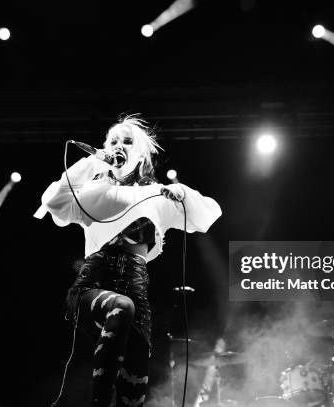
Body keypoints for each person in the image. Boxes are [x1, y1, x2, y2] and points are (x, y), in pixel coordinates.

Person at [34, 115, 221, 407]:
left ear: (142, 153)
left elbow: (207, 215)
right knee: (122, 307)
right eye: (113, 142)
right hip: (94, 286)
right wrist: (93, 162)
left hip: (137, 294)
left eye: (127, 141)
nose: (119, 146)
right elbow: (53, 202)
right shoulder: (93, 193)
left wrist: (182, 192)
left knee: (133, 394)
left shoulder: (156, 195)